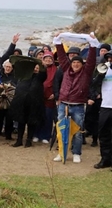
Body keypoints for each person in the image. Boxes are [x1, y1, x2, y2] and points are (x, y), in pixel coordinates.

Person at [52, 32, 98, 163]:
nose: (76, 64)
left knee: (77, 131)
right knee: (61, 130)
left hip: (77, 106)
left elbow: (91, 60)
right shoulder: (66, 69)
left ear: (82, 64)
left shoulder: (86, 72)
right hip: (63, 104)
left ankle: (76, 153)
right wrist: (58, 41)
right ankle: (61, 153)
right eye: (74, 62)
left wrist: (93, 45)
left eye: (78, 62)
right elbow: (61, 56)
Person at [9, 57, 46, 148]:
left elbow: (43, 72)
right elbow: (16, 66)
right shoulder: (24, 76)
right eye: (34, 67)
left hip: (34, 102)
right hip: (22, 101)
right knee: (21, 121)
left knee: (31, 122)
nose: (35, 69)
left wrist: (39, 63)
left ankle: (29, 140)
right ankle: (19, 140)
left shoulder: (40, 77)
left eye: (37, 68)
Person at [92, 51, 112, 169]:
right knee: (104, 134)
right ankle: (105, 159)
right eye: (109, 58)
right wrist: (100, 76)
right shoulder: (104, 69)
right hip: (106, 105)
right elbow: (94, 85)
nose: (110, 60)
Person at [0, 60, 16, 141]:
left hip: (10, 100)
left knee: (9, 119)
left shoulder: (14, 76)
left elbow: (16, 86)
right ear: (4, 67)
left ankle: (8, 135)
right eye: (7, 67)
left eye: (10, 67)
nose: (8, 68)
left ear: (12, 68)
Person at [39, 52, 59, 144]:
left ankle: (46, 135)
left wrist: (55, 94)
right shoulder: (38, 68)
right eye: (46, 58)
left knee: (48, 116)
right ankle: (36, 134)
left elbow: (59, 83)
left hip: (50, 96)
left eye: (50, 59)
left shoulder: (56, 70)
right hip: (39, 96)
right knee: (38, 115)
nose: (48, 60)